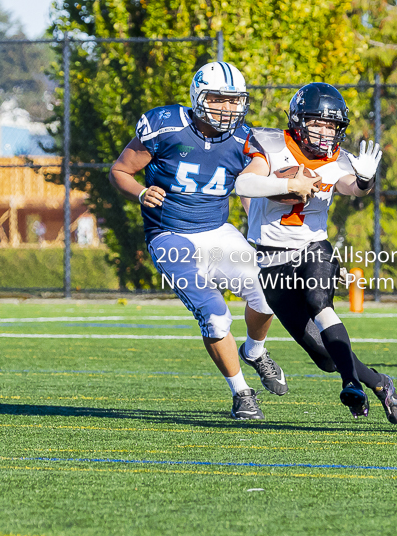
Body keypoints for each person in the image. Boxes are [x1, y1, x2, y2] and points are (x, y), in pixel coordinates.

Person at [109, 62, 317, 420]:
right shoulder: (166, 125)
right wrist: (141, 193)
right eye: (219, 100)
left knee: (269, 293)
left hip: (218, 232)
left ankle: (255, 351)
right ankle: (241, 392)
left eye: (235, 101)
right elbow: (120, 170)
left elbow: (252, 187)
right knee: (216, 316)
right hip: (171, 235)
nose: (228, 109)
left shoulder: (244, 140)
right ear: (198, 97)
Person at [234, 82, 397, 424]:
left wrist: (364, 180)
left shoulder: (337, 158)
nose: (325, 131)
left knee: (320, 303)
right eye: (318, 122)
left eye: (332, 125)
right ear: (299, 121)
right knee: (324, 356)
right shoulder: (272, 144)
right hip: (271, 258)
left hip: (314, 248)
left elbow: (352, 188)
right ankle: (380, 383)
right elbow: (244, 183)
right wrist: (289, 185)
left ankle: (352, 385)